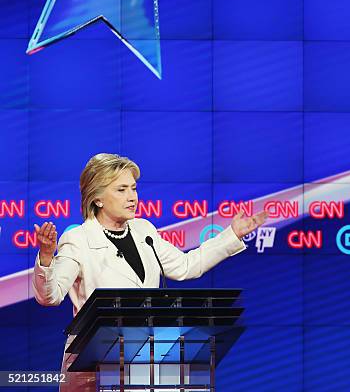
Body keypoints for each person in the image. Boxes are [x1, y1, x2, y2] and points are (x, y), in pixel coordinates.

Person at [32, 153, 267, 392]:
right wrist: (47, 257)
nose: (132, 197)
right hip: (95, 368)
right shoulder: (78, 239)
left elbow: (187, 266)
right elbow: (50, 296)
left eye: (133, 188)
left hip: (144, 360)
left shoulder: (144, 231)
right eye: (121, 190)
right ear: (98, 198)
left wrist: (233, 235)